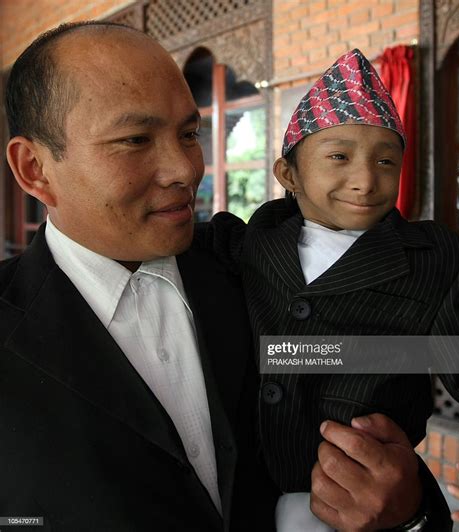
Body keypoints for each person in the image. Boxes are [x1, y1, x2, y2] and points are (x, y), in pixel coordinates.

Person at [1, 21, 279, 531]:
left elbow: (357, 352)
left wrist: (411, 506)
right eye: (134, 139)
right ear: (35, 169)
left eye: (189, 134)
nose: (185, 170)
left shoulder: (252, 270)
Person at [201, 49, 459, 530]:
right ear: (289, 175)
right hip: (241, 489)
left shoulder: (432, 260)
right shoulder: (250, 243)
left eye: (386, 160)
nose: (366, 180)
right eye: (339, 157)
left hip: (357, 492)